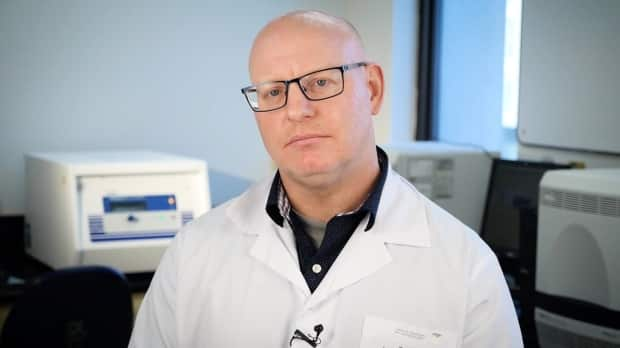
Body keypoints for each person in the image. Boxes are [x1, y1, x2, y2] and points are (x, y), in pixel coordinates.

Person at [129, 10, 523, 348]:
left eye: (320, 83)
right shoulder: (194, 253)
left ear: (371, 90)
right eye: (273, 92)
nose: (296, 110)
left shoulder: (467, 269)